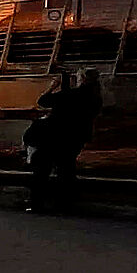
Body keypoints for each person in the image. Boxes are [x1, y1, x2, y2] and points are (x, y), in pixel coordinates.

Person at [24, 67, 101, 212]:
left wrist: (53, 86)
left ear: (82, 79)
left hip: (56, 138)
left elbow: (43, 101)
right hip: (76, 139)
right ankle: (64, 203)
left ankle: (37, 203)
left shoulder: (71, 94)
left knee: (41, 167)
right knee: (66, 169)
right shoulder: (95, 97)